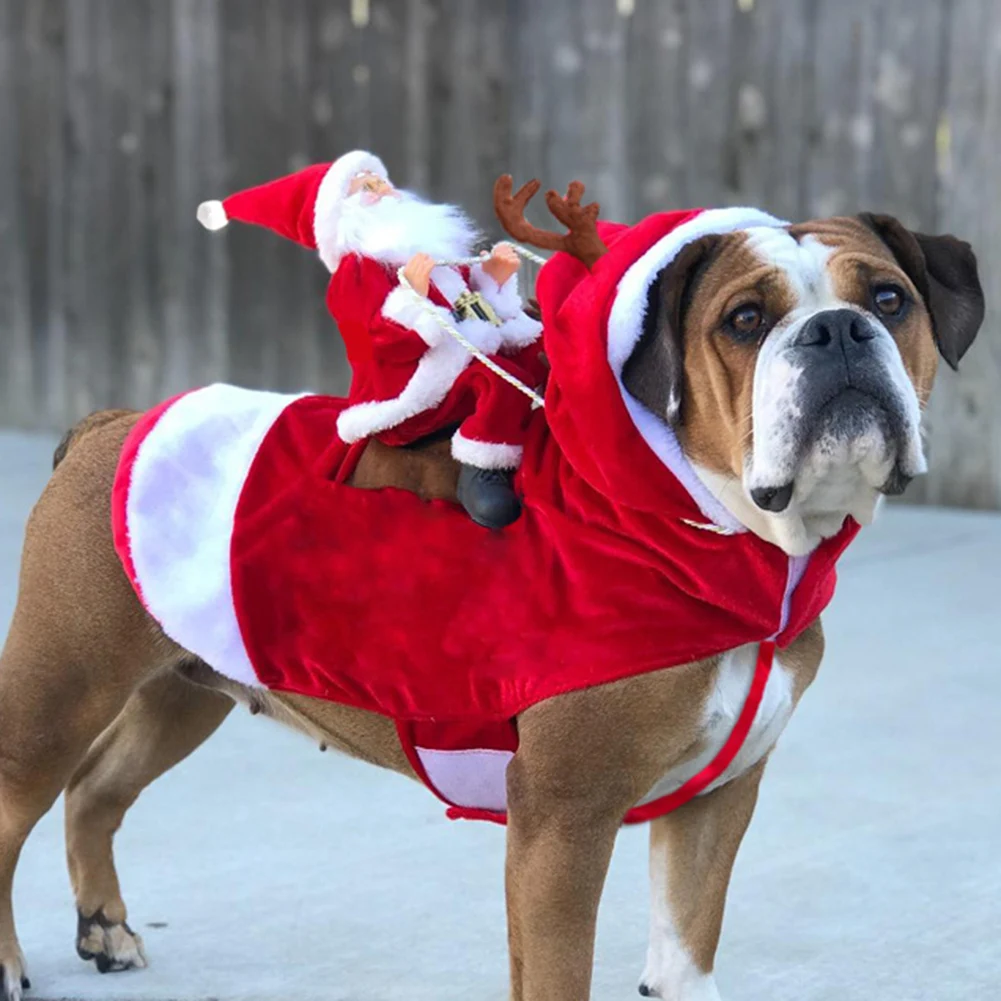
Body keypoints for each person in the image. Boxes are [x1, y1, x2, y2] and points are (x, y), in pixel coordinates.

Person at [197, 150, 544, 528]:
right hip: (413, 389)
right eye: (365, 188)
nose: (382, 191)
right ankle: (482, 470)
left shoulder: (430, 252)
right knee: (496, 381)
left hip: (462, 356)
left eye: (381, 182)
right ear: (342, 217)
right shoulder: (357, 273)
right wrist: (412, 297)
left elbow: (469, 304)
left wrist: (492, 277)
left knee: (534, 352)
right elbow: (376, 340)